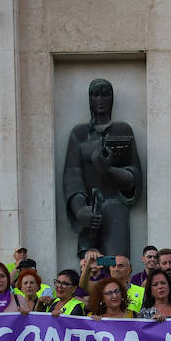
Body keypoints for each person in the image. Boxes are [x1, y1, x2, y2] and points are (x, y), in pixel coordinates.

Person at [62, 79, 142, 258]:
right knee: (91, 265)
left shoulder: (123, 130)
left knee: (115, 263)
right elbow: (72, 177)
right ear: (89, 99)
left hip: (115, 208)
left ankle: (111, 275)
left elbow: (134, 177)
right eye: (95, 95)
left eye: (105, 95)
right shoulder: (79, 133)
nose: (100, 100)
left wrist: (108, 170)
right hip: (90, 207)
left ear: (112, 99)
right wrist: (80, 210)